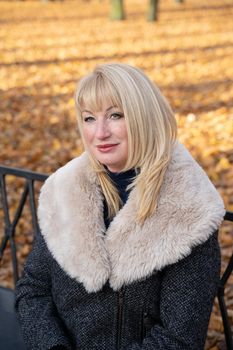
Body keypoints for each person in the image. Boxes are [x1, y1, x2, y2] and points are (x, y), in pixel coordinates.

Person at [15, 63, 225, 350]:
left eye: (115, 115)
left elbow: (178, 339)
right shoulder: (64, 190)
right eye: (89, 118)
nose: (99, 132)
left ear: (144, 118)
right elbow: (33, 289)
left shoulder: (189, 210)